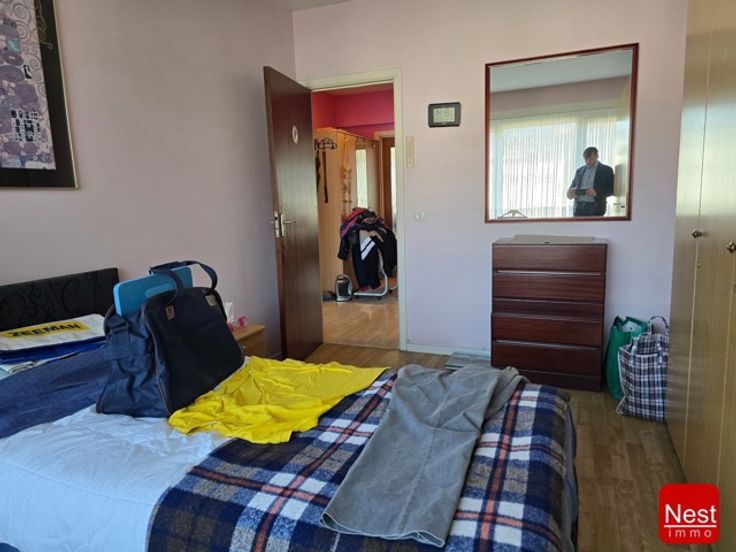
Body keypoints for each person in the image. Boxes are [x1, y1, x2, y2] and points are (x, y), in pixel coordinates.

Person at [566, 147, 614, 217]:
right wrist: (569, 193)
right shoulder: (579, 171)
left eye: (590, 159)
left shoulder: (606, 170)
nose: (588, 161)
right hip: (578, 208)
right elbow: (572, 187)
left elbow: (612, 190)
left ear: (597, 156)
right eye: (586, 159)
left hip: (595, 208)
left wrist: (596, 193)